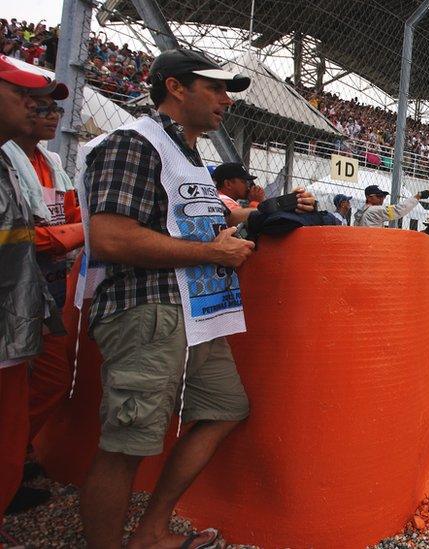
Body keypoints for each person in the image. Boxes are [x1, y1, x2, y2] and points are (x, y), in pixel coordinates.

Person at [76, 48, 314, 548]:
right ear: (176, 87)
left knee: (226, 408)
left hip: (197, 313)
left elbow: (200, 218)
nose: (226, 100)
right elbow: (112, 237)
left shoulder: (185, 153)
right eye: (216, 87)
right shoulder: (131, 143)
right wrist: (210, 250)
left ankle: (151, 533)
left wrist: (270, 211)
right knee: (127, 444)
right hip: (148, 309)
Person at [2, 76, 80, 514]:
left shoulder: (51, 162)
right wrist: (82, 233)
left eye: (54, 109)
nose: (48, 114)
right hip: (23, 279)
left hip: (42, 284)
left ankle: (16, 459)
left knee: (49, 379)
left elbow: (64, 220)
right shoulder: (11, 160)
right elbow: (32, 237)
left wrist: (68, 233)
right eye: (37, 103)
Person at [352, 184, 429, 227]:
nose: (382, 199)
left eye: (383, 196)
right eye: (379, 196)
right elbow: (398, 210)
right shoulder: (373, 210)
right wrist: (418, 196)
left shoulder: (362, 211)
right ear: (368, 198)